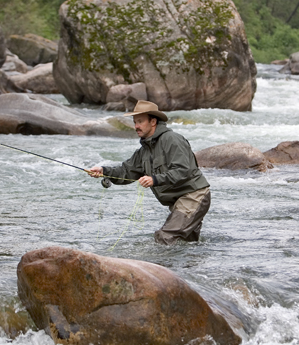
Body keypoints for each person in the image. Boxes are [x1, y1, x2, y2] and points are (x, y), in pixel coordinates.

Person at [87, 100, 210, 245]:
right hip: (179, 201)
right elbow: (126, 171)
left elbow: (184, 171)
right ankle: (186, 268)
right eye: (134, 122)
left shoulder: (172, 140)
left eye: (140, 121)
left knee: (165, 237)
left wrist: (155, 179)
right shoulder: (144, 150)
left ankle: (161, 266)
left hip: (194, 196)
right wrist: (104, 171)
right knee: (187, 245)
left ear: (153, 121)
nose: (136, 126)